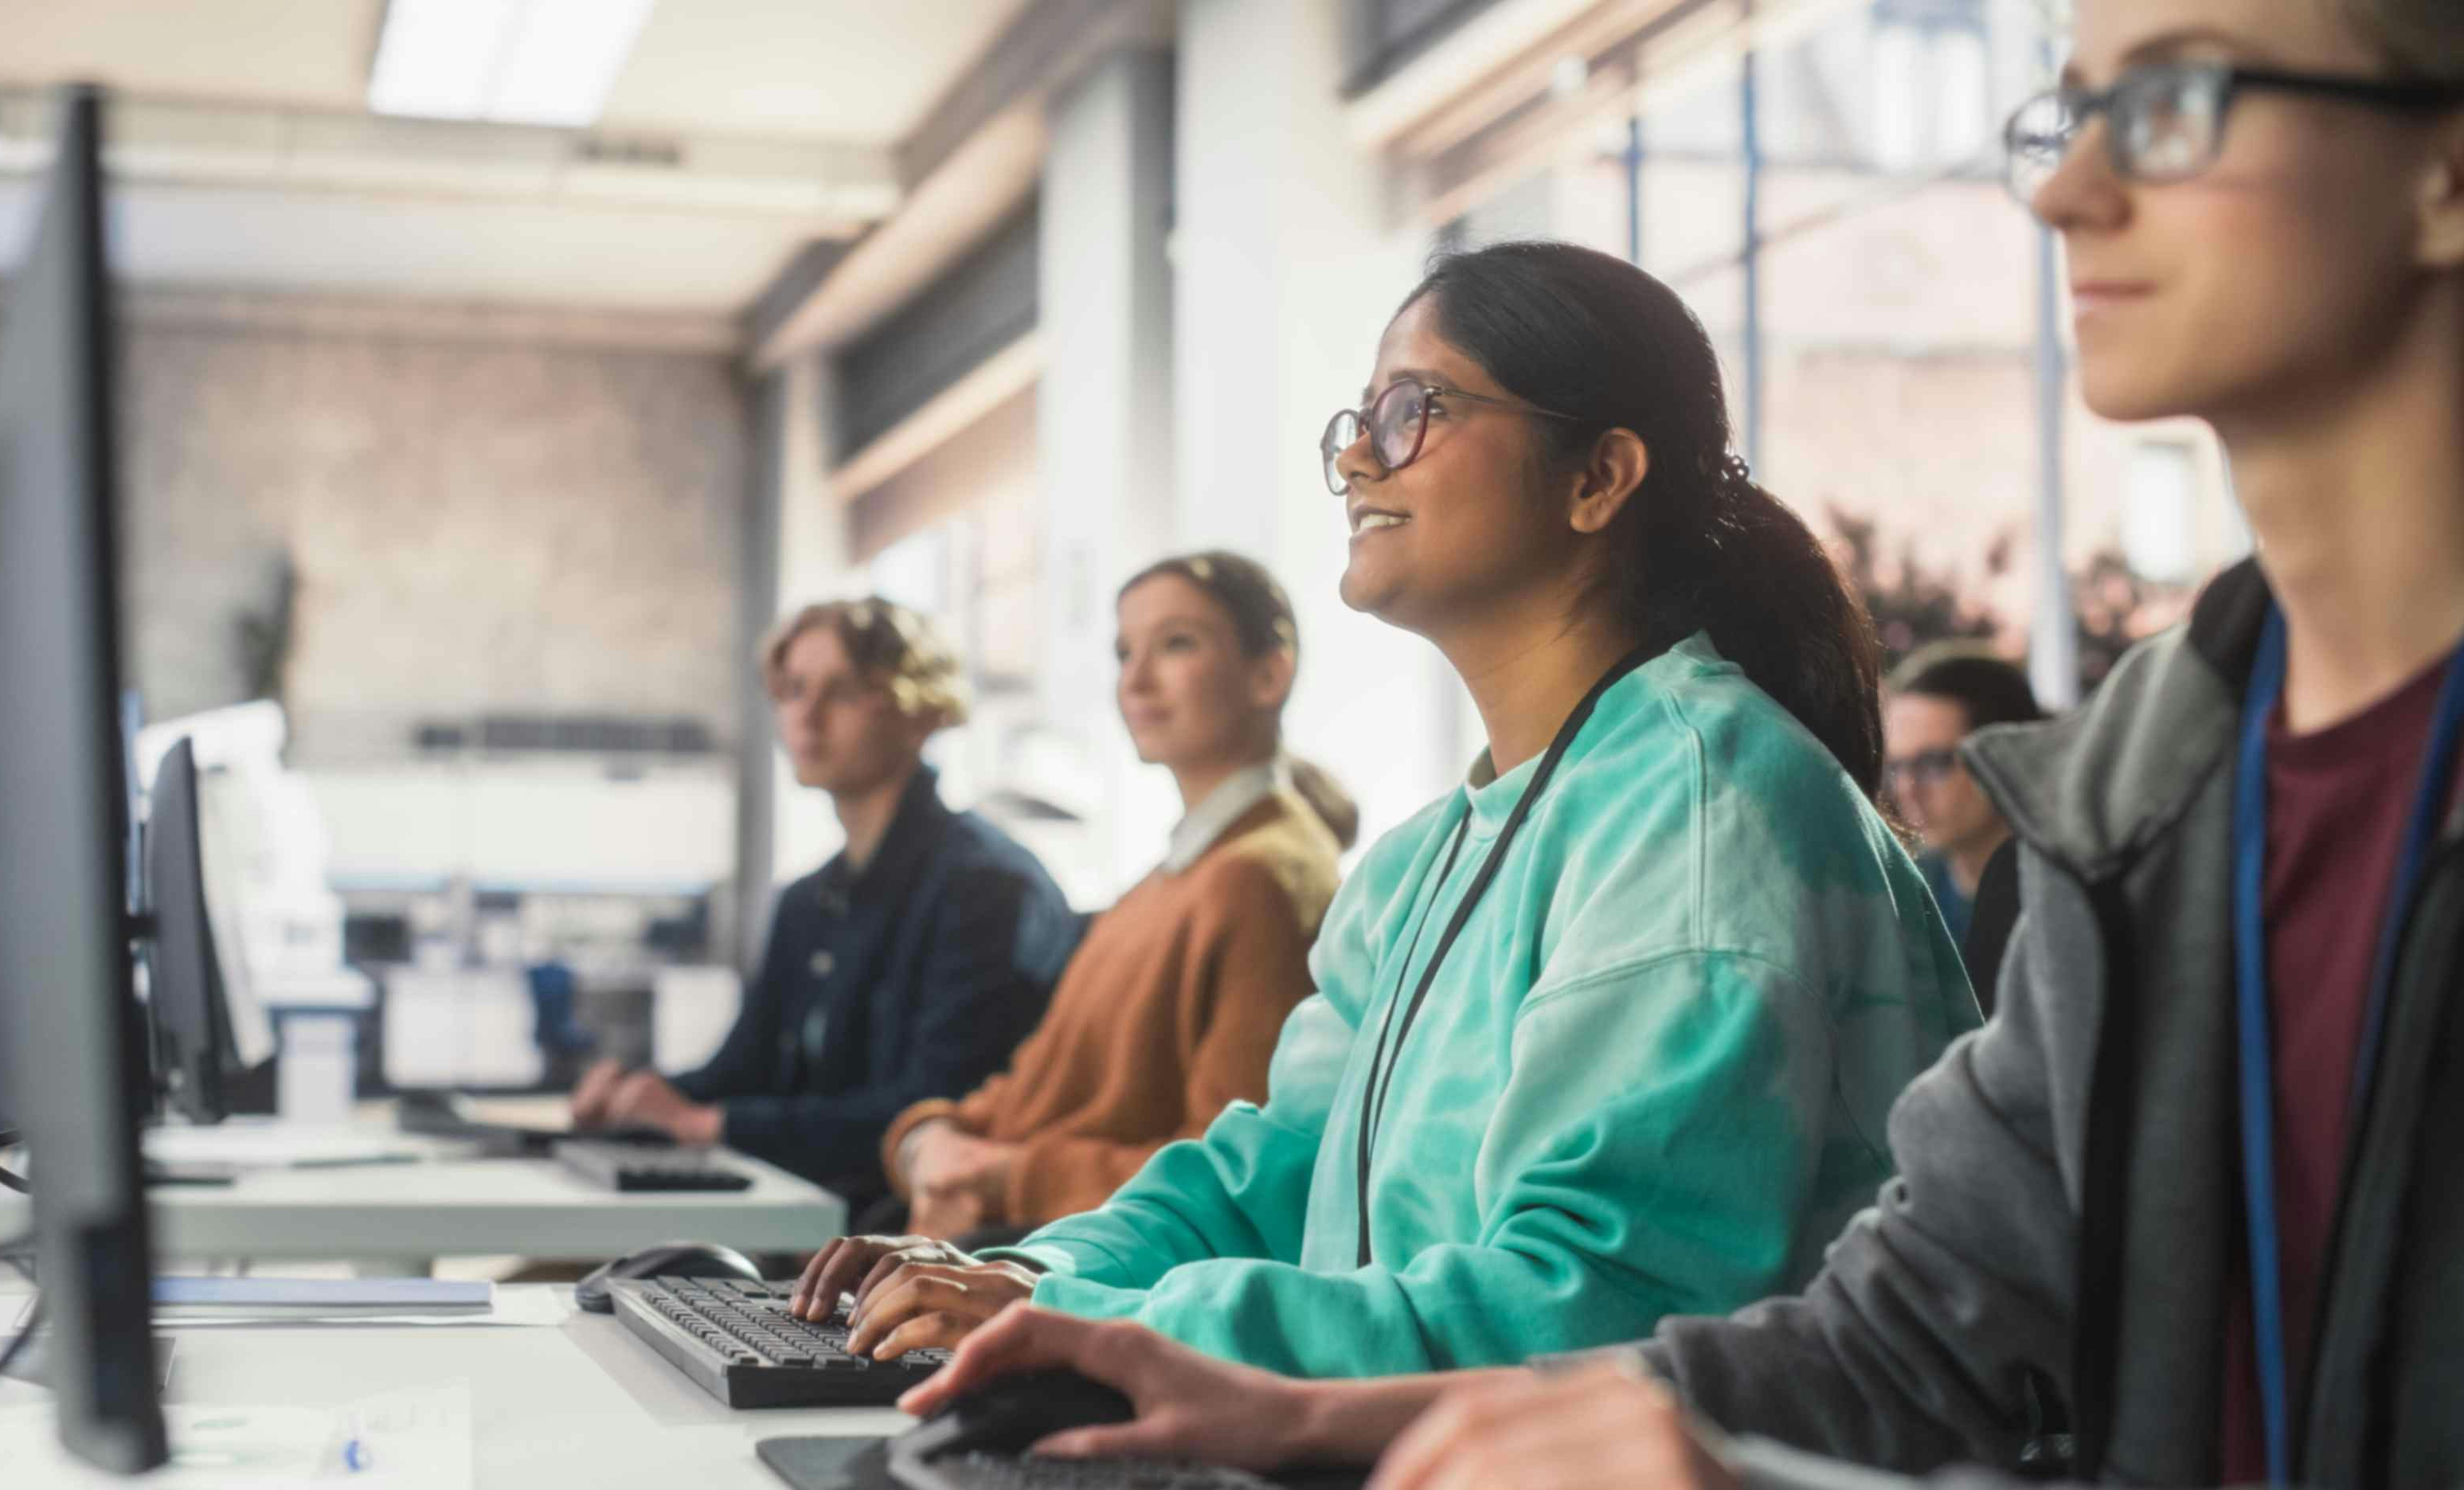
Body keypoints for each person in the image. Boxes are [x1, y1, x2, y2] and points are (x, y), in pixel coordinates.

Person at [897, 0, 2464, 1484]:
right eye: (2071, 109)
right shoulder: (2160, 787)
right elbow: (1906, 1337)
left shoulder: (1714, 808)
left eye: (2180, 101)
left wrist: (1162, 1332)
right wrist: (1166, 1339)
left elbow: (1607, 1301)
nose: (2062, 188)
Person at [790, 241, 1981, 1378]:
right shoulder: (1431, 855)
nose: (1361, 457)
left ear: (1599, 477)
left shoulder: (1702, 805)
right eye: (1360, 420)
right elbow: (1271, 1175)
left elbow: (1599, 1311)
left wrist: (1085, 1318)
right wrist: (1028, 1269)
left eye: (1416, 409)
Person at [882, 551, 1358, 1245]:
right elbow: (1029, 1087)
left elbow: (1235, 1174)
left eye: (1176, 644)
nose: (1134, 680)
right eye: (1123, 651)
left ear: (1268, 673)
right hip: (1016, 1231)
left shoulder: (1260, 880)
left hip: (1078, 1267)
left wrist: (1003, 1175)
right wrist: (926, 1138)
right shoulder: (1166, 878)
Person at [567, 598, 1075, 1206]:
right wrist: (638, 1094)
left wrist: (710, 1125)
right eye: (793, 690)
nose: (806, 715)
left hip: (892, 1232)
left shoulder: (988, 887)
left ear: (920, 712)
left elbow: (938, 1109)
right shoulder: (807, 900)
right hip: (784, 1211)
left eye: (843, 690)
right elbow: (744, 1069)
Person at [1883, 643, 2044, 1000]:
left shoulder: (2059, 896)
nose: (1909, 789)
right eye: (1897, 767)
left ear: (2003, 757)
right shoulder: (1905, 893)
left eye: (1935, 763)